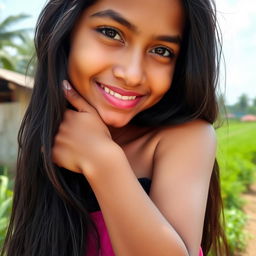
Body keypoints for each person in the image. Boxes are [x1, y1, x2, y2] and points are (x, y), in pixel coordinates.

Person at [1, 0, 229, 255]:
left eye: (162, 51)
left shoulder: (185, 138)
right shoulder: (51, 139)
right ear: (66, 32)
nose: (132, 75)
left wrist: (102, 161)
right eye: (111, 33)